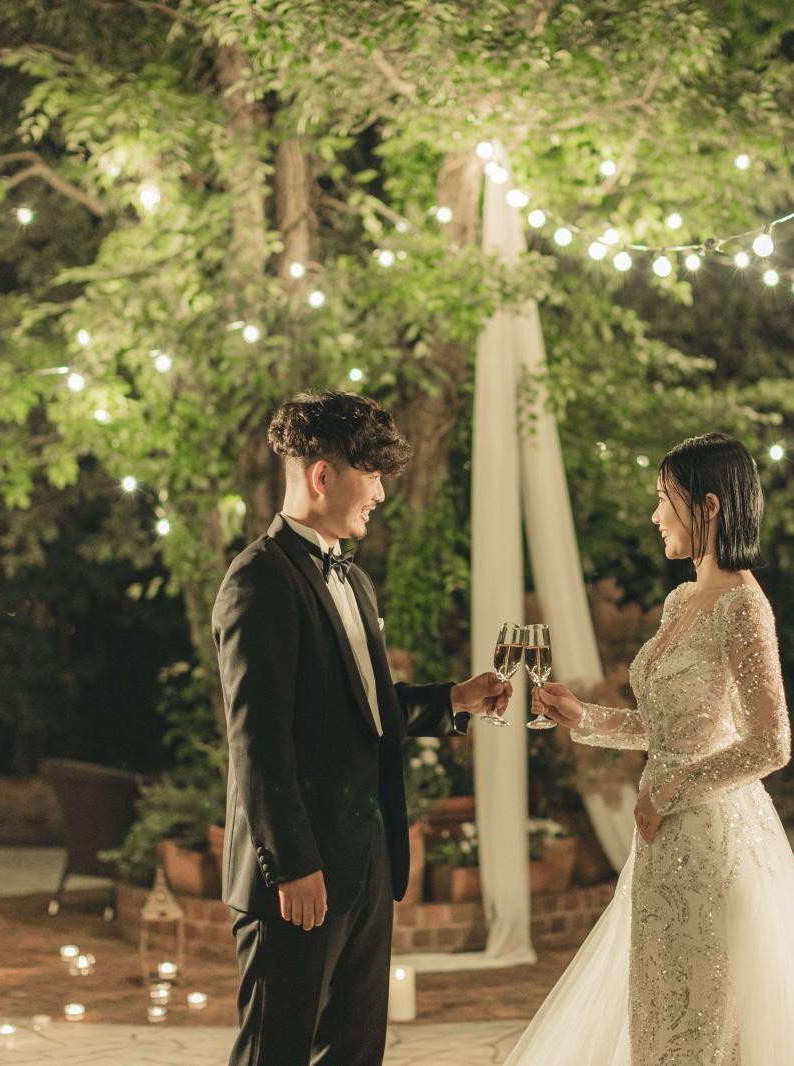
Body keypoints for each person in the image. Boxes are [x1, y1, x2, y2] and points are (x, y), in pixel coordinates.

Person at [509, 432, 794, 1066]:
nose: (654, 515)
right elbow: (669, 727)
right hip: (663, 841)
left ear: (709, 506)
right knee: (660, 1013)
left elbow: (771, 743)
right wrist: (584, 717)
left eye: (664, 498)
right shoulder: (683, 600)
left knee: (705, 1020)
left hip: (711, 843)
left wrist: (669, 790)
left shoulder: (744, 607)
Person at [213, 391, 510, 1066]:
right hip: (298, 876)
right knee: (275, 1054)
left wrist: (454, 699)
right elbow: (257, 742)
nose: (379, 493)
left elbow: (365, 711)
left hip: (366, 864)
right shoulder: (259, 581)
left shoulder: (355, 581)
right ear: (323, 475)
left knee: (353, 1054)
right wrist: (293, 864)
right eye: (371, 474)